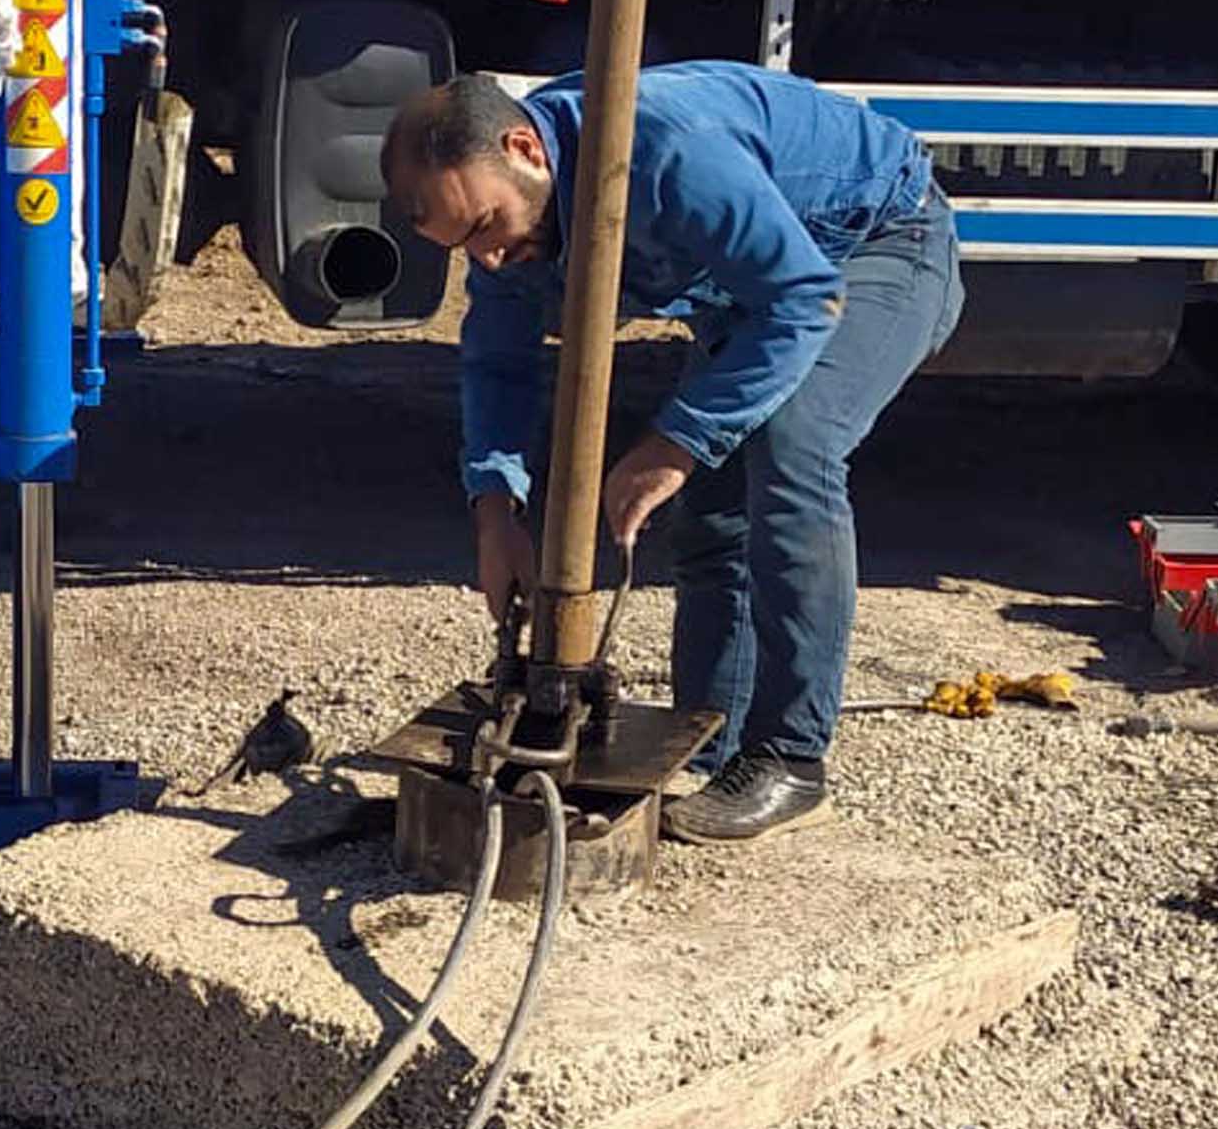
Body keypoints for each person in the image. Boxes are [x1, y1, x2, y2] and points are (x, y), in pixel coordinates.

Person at [383, 63, 963, 843]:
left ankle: (790, 759)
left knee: (792, 451)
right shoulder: (507, 217)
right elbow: (498, 363)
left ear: (525, 148)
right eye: (462, 246)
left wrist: (676, 442)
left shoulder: (667, 148)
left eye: (485, 228)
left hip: (876, 241)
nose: (485, 260)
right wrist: (496, 512)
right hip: (753, 288)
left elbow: (801, 298)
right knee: (713, 516)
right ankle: (710, 751)